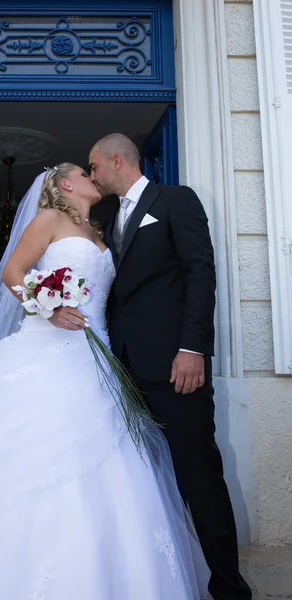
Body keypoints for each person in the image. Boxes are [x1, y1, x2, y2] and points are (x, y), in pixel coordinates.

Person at [0, 164, 209, 599]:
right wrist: (48, 308)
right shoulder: (50, 219)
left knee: (108, 459)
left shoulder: (100, 231)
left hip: (98, 358)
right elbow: (12, 273)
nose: (91, 176)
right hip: (49, 351)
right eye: (83, 171)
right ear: (64, 184)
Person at [89, 134, 252, 600]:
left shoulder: (175, 201)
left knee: (198, 475)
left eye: (95, 166)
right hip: (122, 371)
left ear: (118, 160)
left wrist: (193, 348)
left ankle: (228, 587)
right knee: (139, 478)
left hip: (175, 366)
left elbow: (201, 271)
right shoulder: (103, 218)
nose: (94, 175)